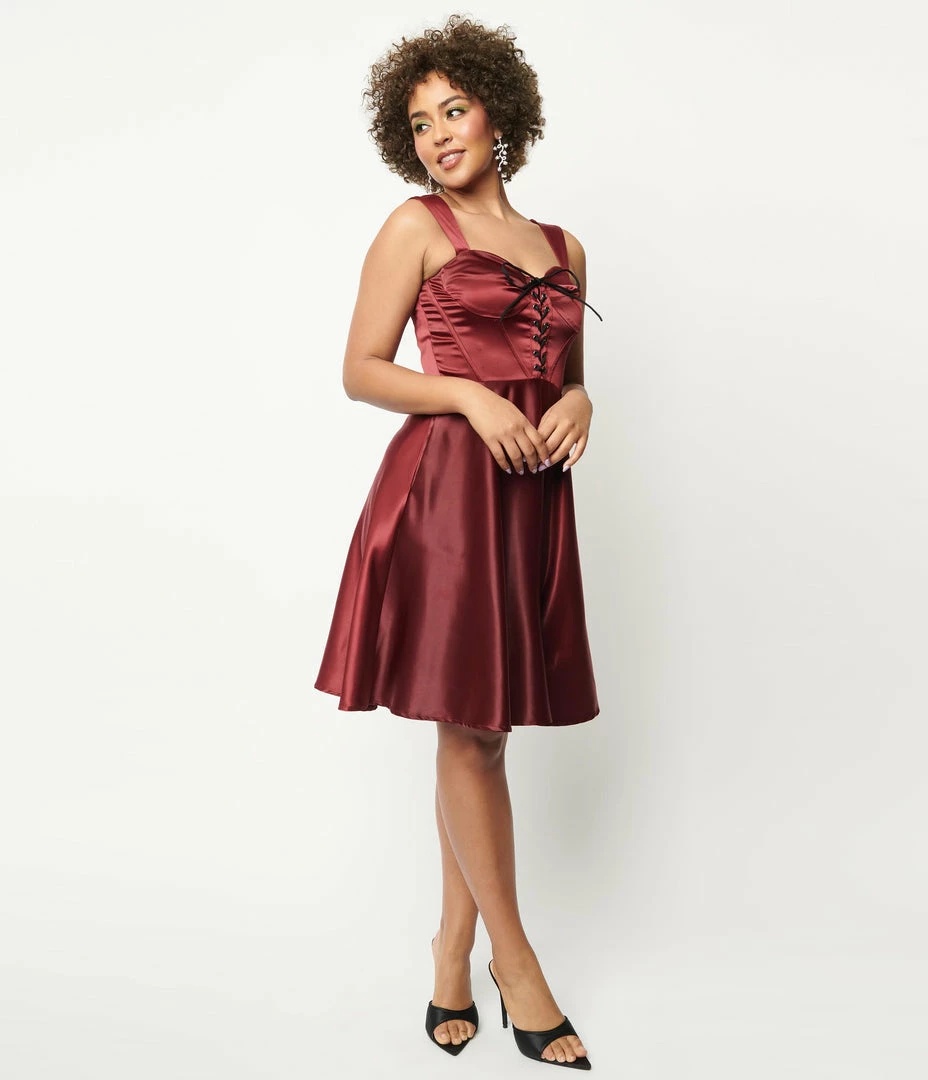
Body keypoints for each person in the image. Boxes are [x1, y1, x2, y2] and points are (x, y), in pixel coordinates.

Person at [314, 15, 600, 1070]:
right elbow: (361, 368)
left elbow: (563, 375)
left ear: (497, 113)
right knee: (470, 731)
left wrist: (581, 401)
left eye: (454, 110)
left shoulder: (564, 247)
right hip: (447, 497)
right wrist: (471, 399)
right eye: (419, 123)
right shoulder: (415, 226)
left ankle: (448, 953)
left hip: (530, 498)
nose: (438, 135)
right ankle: (516, 968)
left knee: (485, 732)